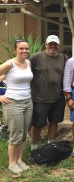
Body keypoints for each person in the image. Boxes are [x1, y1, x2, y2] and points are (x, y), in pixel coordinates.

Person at [30, 35, 68, 152]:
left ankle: (50, 144)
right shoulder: (36, 57)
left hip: (57, 97)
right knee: (37, 124)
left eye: (55, 44)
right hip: (39, 98)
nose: (53, 46)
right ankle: (34, 147)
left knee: (54, 121)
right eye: (50, 44)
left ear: (59, 45)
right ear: (45, 44)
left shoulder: (64, 58)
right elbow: (25, 73)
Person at [0, 39, 33, 174]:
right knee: (16, 134)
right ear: (15, 50)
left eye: (26, 48)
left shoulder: (28, 63)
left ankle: (19, 160)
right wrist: (0, 96)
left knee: (24, 134)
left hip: (27, 102)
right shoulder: (9, 64)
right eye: (21, 48)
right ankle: (12, 163)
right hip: (13, 103)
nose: (24, 51)